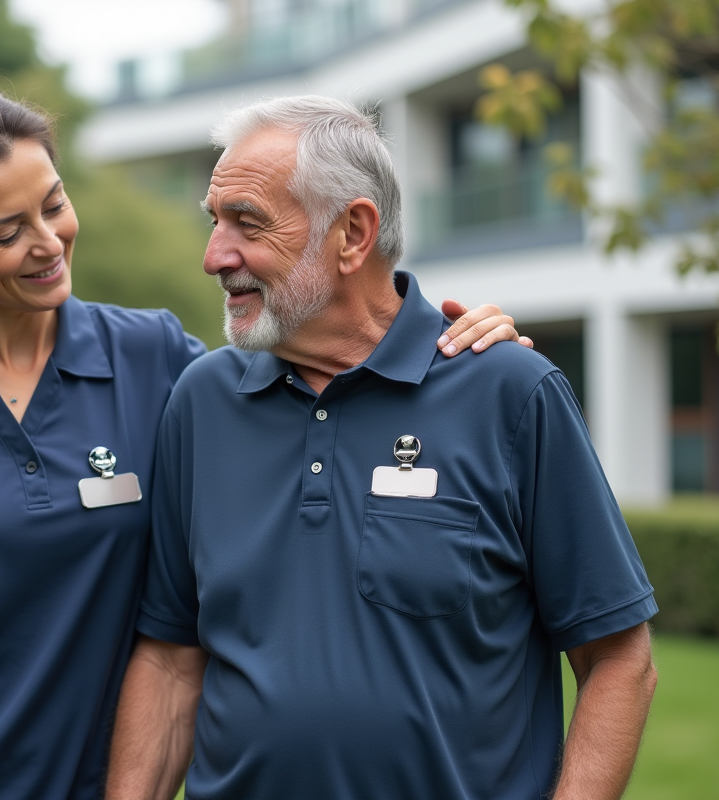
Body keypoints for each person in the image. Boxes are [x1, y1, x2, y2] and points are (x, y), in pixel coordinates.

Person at [0, 89, 530, 800]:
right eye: (5, 230)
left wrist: (445, 350)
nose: (47, 242)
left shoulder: (159, 360)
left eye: (53, 204)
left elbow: (308, 381)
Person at [106, 95, 658, 800]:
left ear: (352, 233)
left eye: (247, 223)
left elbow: (619, 659)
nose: (215, 255)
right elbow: (172, 660)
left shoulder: (509, 391)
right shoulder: (202, 400)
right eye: (215, 222)